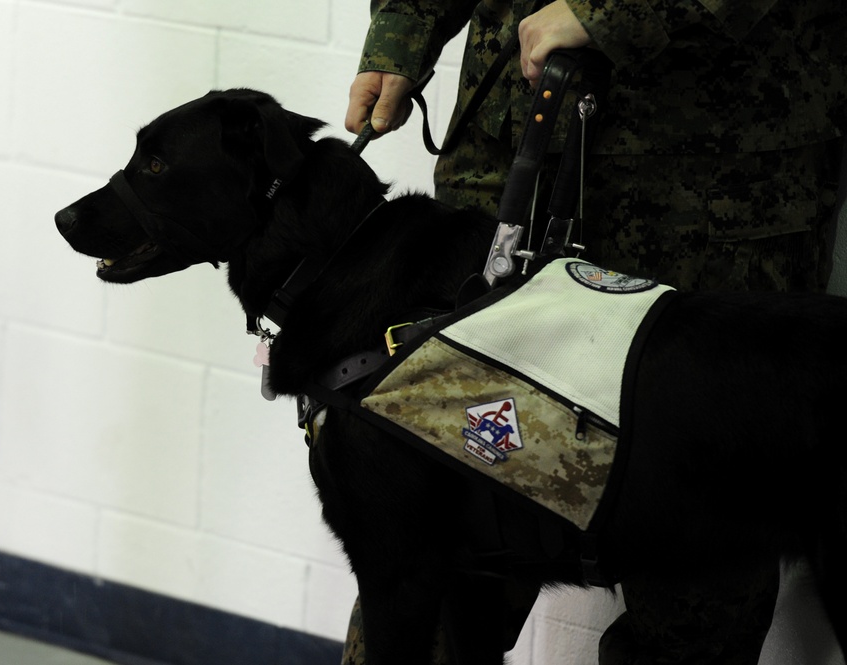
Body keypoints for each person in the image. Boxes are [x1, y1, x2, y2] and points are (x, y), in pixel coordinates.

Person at [342, 0, 847, 663]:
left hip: (715, 184)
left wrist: (611, 11)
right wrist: (400, 36)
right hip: (513, 153)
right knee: (437, 529)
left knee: (696, 578)